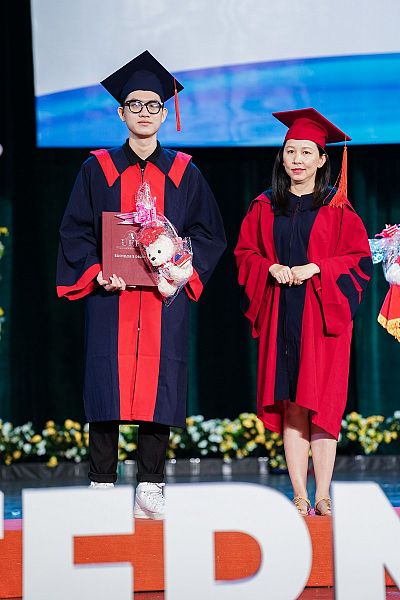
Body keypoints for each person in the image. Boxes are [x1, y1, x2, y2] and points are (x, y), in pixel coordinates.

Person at [56, 50, 226, 519]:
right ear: (121, 113)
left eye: (154, 105)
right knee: (105, 386)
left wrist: (180, 267)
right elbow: (75, 231)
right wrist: (95, 272)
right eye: (136, 105)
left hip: (161, 299)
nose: (145, 112)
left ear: (164, 113)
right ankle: (101, 482)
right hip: (110, 298)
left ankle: (151, 485)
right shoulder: (97, 169)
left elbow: (209, 234)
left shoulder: (185, 172)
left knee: (160, 384)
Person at [234, 108, 372, 516]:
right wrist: (268, 267)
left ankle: (323, 494)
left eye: (306, 152)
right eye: (290, 151)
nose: (297, 159)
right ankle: (299, 494)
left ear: (322, 159)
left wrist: (318, 268)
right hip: (280, 314)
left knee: (323, 404)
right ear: (282, 157)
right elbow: (245, 253)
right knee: (292, 404)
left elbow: (359, 260)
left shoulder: (337, 206)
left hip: (322, 317)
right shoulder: (264, 205)